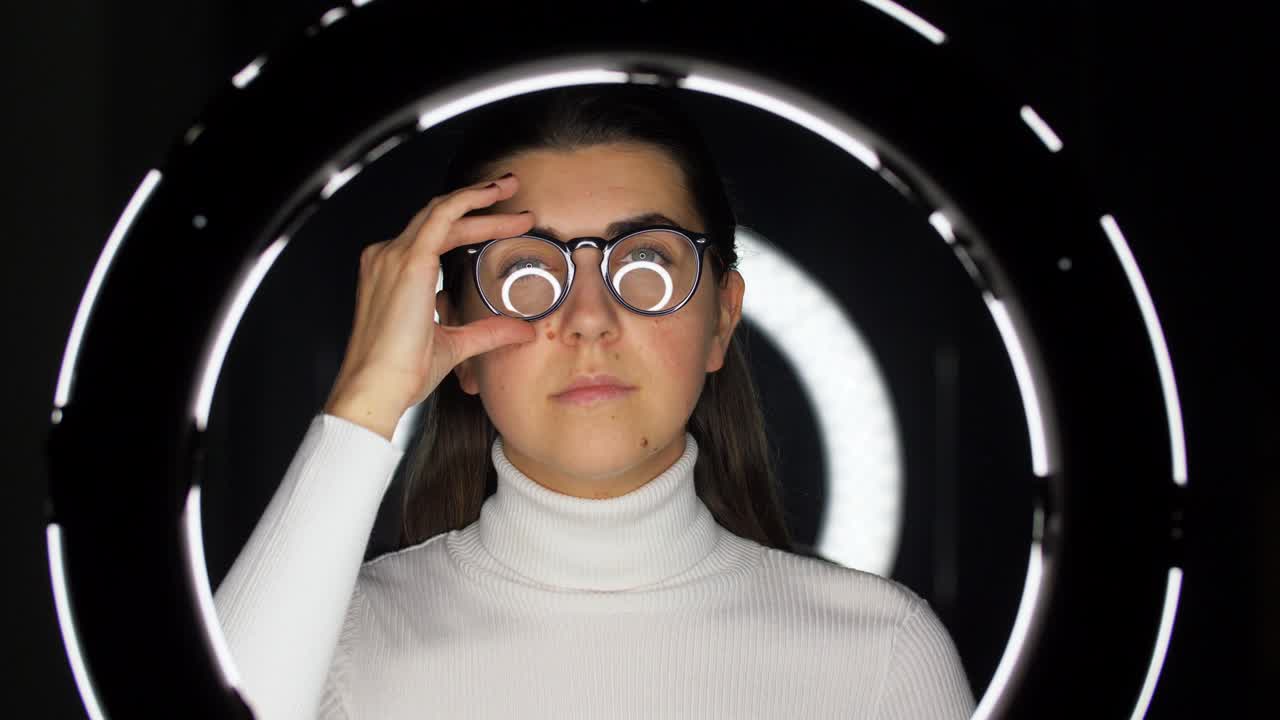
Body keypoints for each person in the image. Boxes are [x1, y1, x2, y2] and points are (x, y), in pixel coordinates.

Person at [213, 85, 976, 720]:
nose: (587, 318)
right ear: (455, 339)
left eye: (644, 260)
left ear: (722, 319)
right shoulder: (328, 644)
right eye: (527, 272)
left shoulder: (880, 657)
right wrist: (365, 397)